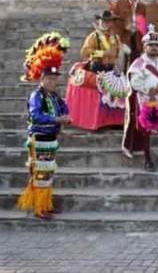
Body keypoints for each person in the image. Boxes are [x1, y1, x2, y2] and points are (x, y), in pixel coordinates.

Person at [16, 33, 70, 220]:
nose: (52, 82)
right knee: (40, 174)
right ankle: (39, 208)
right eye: (49, 79)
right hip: (39, 139)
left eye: (55, 79)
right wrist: (57, 120)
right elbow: (36, 115)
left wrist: (65, 116)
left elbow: (64, 108)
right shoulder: (36, 96)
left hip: (50, 139)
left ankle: (45, 203)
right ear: (42, 79)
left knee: (47, 173)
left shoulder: (55, 96)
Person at [123, 31, 158, 171]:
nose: (154, 48)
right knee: (146, 130)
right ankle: (148, 161)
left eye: (156, 45)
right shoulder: (138, 64)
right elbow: (133, 83)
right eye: (151, 45)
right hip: (145, 100)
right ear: (144, 47)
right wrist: (150, 89)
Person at [68, 12, 129, 130]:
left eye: (108, 21)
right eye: (104, 21)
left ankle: (110, 122)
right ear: (99, 22)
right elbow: (85, 52)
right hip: (97, 67)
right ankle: (97, 122)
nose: (106, 23)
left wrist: (121, 52)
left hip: (111, 68)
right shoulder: (93, 36)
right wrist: (103, 53)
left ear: (111, 23)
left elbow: (118, 52)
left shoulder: (115, 37)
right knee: (98, 96)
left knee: (112, 95)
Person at [109, 0, 148, 65]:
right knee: (122, 62)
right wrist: (125, 25)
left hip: (137, 38)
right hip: (123, 37)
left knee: (136, 62)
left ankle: (132, 78)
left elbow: (146, 23)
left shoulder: (143, 6)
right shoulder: (119, 3)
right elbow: (112, 18)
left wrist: (140, 27)